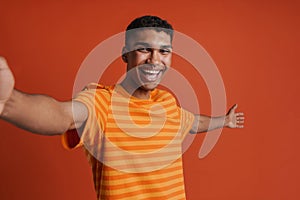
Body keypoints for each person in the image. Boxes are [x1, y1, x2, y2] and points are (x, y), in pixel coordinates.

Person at [0, 15, 245, 199]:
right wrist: (8, 103)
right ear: (125, 54)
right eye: (144, 49)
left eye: (164, 51)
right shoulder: (101, 102)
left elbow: (193, 123)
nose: (154, 60)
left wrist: (224, 121)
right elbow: (61, 116)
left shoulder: (168, 102)